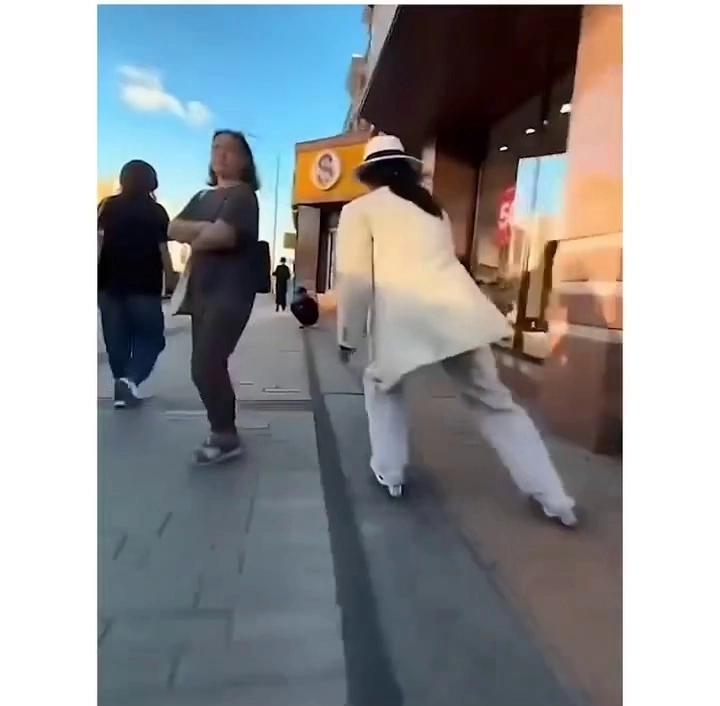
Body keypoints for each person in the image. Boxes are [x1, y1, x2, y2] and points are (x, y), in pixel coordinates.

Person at [334, 135, 577, 528]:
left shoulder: (360, 210)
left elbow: (356, 280)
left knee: (382, 384)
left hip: (404, 318)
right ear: (406, 169)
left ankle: (390, 473)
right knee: (494, 402)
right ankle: (554, 497)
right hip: (459, 313)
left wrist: (348, 337)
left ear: (369, 175)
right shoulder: (434, 210)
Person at [168, 130, 260, 465]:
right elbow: (172, 229)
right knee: (206, 366)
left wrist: (197, 233)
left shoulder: (243, 196)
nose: (221, 154)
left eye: (230, 150)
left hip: (231, 293)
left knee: (205, 365)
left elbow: (221, 236)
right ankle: (222, 430)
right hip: (200, 292)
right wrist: (203, 232)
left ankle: (225, 436)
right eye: (216, 147)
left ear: (244, 160)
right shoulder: (201, 196)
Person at [98, 160, 176, 409]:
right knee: (152, 338)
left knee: (116, 340)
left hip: (108, 283)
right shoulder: (156, 211)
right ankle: (130, 381)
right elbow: (163, 248)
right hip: (144, 284)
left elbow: (98, 243)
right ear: (152, 183)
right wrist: (171, 278)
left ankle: (122, 391)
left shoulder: (107, 206)